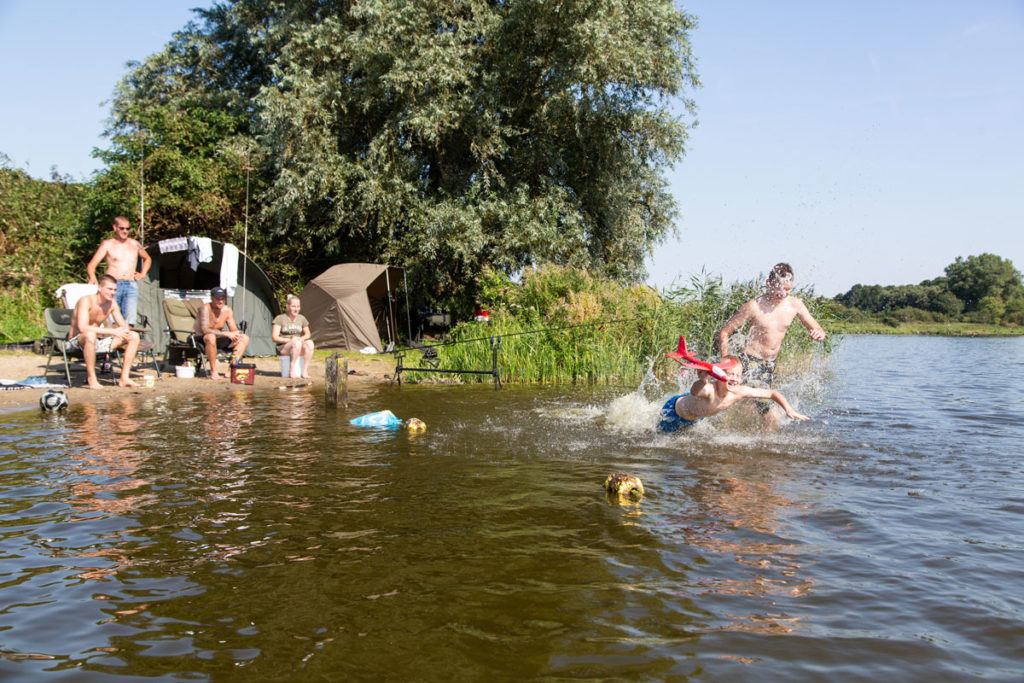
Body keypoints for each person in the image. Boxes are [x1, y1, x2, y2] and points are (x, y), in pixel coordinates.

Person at [718, 263, 825, 428]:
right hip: (749, 361)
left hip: (769, 365)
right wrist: (725, 359)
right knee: (770, 411)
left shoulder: (795, 305)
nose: (782, 293)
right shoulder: (753, 306)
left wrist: (818, 333)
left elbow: (816, 327)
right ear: (768, 283)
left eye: (787, 289)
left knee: (751, 406)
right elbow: (725, 332)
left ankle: (751, 441)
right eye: (778, 288)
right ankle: (761, 445)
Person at [658, 357, 808, 433]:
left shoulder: (739, 392)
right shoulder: (709, 390)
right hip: (674, 411)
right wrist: (702, 379)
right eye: (730, 374)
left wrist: (789, 410)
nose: (734, 378)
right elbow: (694, 391)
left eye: (738, 375)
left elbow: (772, 393)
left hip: (696, 416)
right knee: (659, 438)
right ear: (719, 375)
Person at [68, 274, 141, 389]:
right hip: (77, 341)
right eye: (109, 289)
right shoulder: (86, 301)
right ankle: (91, 378)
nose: (112, 292)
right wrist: (112, 331)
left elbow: (123, 326)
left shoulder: (112, 304)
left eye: (115, 290)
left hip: (97, 341)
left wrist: (124, 329)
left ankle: (124, 378)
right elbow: (82, 328)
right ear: (99, 288)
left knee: (134, 336)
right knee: (90, 335)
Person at [86, 216, 151, 326]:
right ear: (115, 228)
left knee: (130, 320)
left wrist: (143, 273)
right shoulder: (108, 244)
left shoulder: (134, 244)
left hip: (130, 284)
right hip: (113, 284)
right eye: (122, 228)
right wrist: (93, 277)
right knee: (109, 318)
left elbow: (148, 258)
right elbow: (92, 264)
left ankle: (127, 341)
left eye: (127, 228)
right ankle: (110, 341)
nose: (125, 231)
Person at [192, 286, 250, 379]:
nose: (221, 301)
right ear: (212, 299)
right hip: (201, 338)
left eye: (223, 299)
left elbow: (233, 329)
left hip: (219, 338)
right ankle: (213, 371)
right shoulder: (205, 308)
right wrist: (226, 333)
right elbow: (205, 330)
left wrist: (236, 334)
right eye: (218, 299)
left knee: (244, 338)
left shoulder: (227, 310)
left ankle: (232, 368)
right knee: (210, 336)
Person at [271, 294, 314, 379]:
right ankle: (291, 369)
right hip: (284, 347)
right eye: (293, 306)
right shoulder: (280, 318)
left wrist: (301, 339)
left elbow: (308, 334)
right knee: (296, 343)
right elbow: (274, 338)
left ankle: (304, 370)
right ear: (287, 306)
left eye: (298, 306)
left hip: (297, 344)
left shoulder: (302, 318)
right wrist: (291, 340)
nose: (296, 309)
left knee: (310, 343)